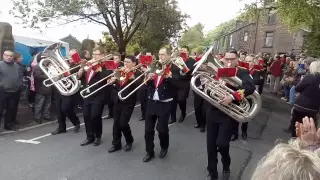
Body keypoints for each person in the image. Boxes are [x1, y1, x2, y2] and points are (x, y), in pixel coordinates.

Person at [205, 50, 255, 180]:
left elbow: (250, 87)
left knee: (222, 144)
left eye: (232, 59)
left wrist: (232, 96)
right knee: (210, 145)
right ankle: (212, 172)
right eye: (226, 58)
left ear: (237, 59)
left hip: (228, 113)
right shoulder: (217, 70)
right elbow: (206, 86)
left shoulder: (242, 72)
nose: (228, 61)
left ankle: (226, 166)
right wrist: (207, 85)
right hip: (212, 111)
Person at [143, 47, 175, 162]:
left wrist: (168, 77)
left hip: (164, 103)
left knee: (162, 129)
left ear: (168, 56)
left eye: (163, 54)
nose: (160, 57)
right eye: (159, 54)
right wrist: (148, 77)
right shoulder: (154, 66)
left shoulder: (173, 67)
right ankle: (149, 152)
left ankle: (164, 147)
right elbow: (146, 85)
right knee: (148, 130)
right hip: (152, 102)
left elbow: (178, 83)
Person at [77, 47, 113, 146]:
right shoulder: (89, 65)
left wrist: (95, 66)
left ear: (102, 55)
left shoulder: (106, 65)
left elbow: (105, 76)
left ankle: (98, 136)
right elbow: (83, 77)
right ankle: (89, 137)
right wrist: (80, 72)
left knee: (95, 116)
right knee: (86, 116)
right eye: (93, 54)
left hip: (98, 95)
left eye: (96, 54)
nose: (94, 56)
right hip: (87, 94)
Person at [108, 56, 141, 153]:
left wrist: (131, 76)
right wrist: (113, 81)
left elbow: (139, 84)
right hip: (118, 100)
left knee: (123, 123)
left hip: (128, 101)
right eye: (124, 61)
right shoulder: (120, 71)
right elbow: (119, 84)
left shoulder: (137, 72)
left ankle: (129, 140)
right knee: (116, 124)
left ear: (134, 63)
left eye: (128, 62)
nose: (125, 64)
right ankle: (116, 144)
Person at [51, 49, 81, 135]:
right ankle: (61, 127)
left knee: (66, 108)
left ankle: (76, 122)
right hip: (59, 88)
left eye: (72, 56)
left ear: (76, 56)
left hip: (69, 90)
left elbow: (73, 73)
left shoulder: (78, 64)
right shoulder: (64, 63)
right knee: (59, 110)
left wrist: (65, 70)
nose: (69, 58)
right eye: (69, 56)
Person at [290, 60, 320, 137]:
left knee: (296, 126)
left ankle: (295, 141)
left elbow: (297, 88)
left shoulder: (310, 76)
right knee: (307, 127)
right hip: (314, 108)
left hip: (301, 105)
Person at [169, 45, 196, 124]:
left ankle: (183, 113)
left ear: (187, 52)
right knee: (172, 101)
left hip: (184, 83)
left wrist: (183, 67)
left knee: (181, 100)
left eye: (184, 51)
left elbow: (191, 72)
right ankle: (173, 117)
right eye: (181, 51)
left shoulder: (191, 60)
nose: (182, 52)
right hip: (174, 82)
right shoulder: (175, 59)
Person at [0, 50, 23, 130]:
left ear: (13, 57)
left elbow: (20, 76)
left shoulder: (17, 66)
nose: (9, 57)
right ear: (3, 55)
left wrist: (19, 84)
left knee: (11, 109)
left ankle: (8, 125)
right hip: (2, 91)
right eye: (7, 55)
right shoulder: (0, 65)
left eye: (10, 56)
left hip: (14, 91)